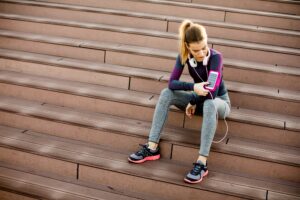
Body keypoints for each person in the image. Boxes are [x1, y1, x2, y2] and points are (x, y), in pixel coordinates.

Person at [128, 19, 231, 184]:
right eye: (197, 50)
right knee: (166, 93)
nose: (202, 53)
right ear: (188, 46)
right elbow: (172, 83)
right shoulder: (183, 56)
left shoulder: (216, 58)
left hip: (219, 102)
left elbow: (212, 91)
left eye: (204, 47)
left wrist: (193, 100)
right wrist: (193, 87)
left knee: (210, 103)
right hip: (199, 98)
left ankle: (201, 163)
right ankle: (152, 147)